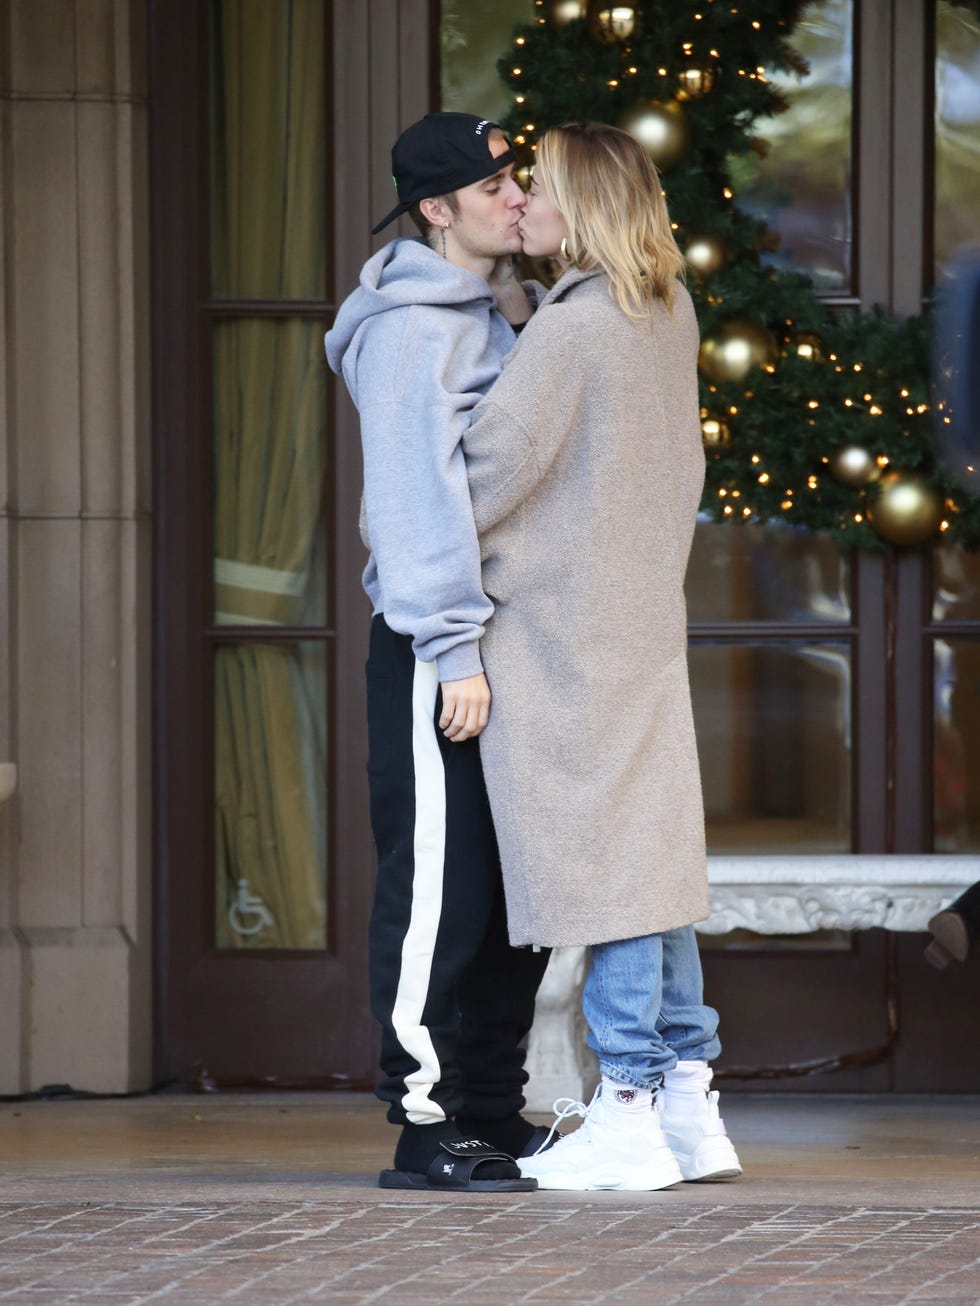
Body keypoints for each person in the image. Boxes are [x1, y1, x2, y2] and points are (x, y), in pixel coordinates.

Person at [461, 121, 742, 1191]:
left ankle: (626, 1102)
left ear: (578, 207)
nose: (520, 200)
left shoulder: (573, 332)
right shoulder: (662, 309)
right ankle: (684, 1096)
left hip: (560, 636)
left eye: (536, 185)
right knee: (651, 863)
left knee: (612, 876)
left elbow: (488, 471)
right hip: (632, 617)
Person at [324, 113, 552, 1192]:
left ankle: (491, 1116)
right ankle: (423, 1127)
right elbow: (413, 503)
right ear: (436, 207)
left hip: (497, 649)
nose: (516, 194)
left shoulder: (493, 308)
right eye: (495, 181)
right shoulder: (411, 329)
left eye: (517, 177)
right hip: (435, 653)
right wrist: (453, 649)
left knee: (510, 894)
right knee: (437, 897)